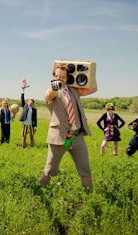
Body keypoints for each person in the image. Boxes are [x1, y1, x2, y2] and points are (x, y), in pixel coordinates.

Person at [40, 63, 97, 191]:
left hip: (77, 137)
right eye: (58, 76)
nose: (61, 79)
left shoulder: (73, 90)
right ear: (53, 76)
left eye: (64, 77)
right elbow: (50, 95)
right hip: (59, 137)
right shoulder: (52, 92)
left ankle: (90, 196)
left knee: (85, 170)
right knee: (49, 169)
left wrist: (89, 70)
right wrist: (54, 87)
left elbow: (93, 88)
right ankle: (41, 193)